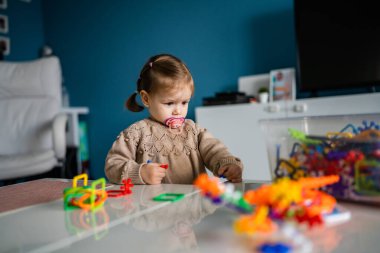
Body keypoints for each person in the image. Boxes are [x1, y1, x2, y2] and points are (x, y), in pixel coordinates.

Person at [104, 54, 243, 185]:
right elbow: (113, 166)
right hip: (153, 207)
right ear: (146, 99)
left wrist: (227, 164)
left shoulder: (194, 131)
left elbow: (215, 150)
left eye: (184, 102)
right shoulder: (135, 134)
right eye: (169, 103)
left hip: (193, 206)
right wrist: (140, 172)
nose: (178, 111)